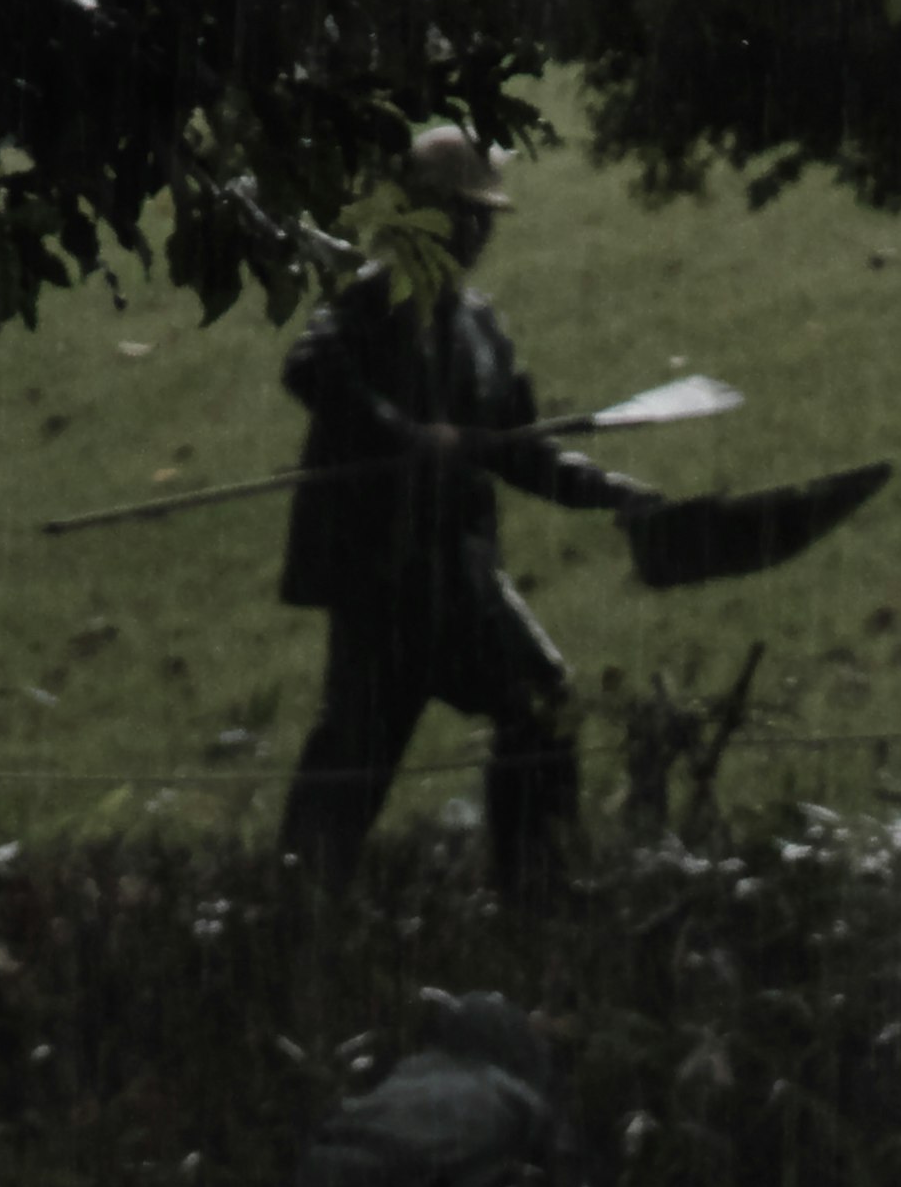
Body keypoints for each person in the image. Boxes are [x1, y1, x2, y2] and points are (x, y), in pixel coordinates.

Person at [276, 128, 662, 896]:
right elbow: (309, 366)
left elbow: (520, 451)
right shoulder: (371, 299)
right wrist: (408, 437)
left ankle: (534, 888)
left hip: (462, 577)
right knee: (354, 756)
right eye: (463, 214)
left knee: (544, 706)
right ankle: (295, 912)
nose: (478, 232)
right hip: (381, 583)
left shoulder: (483, 329)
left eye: (484, 218)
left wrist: (613, 493)